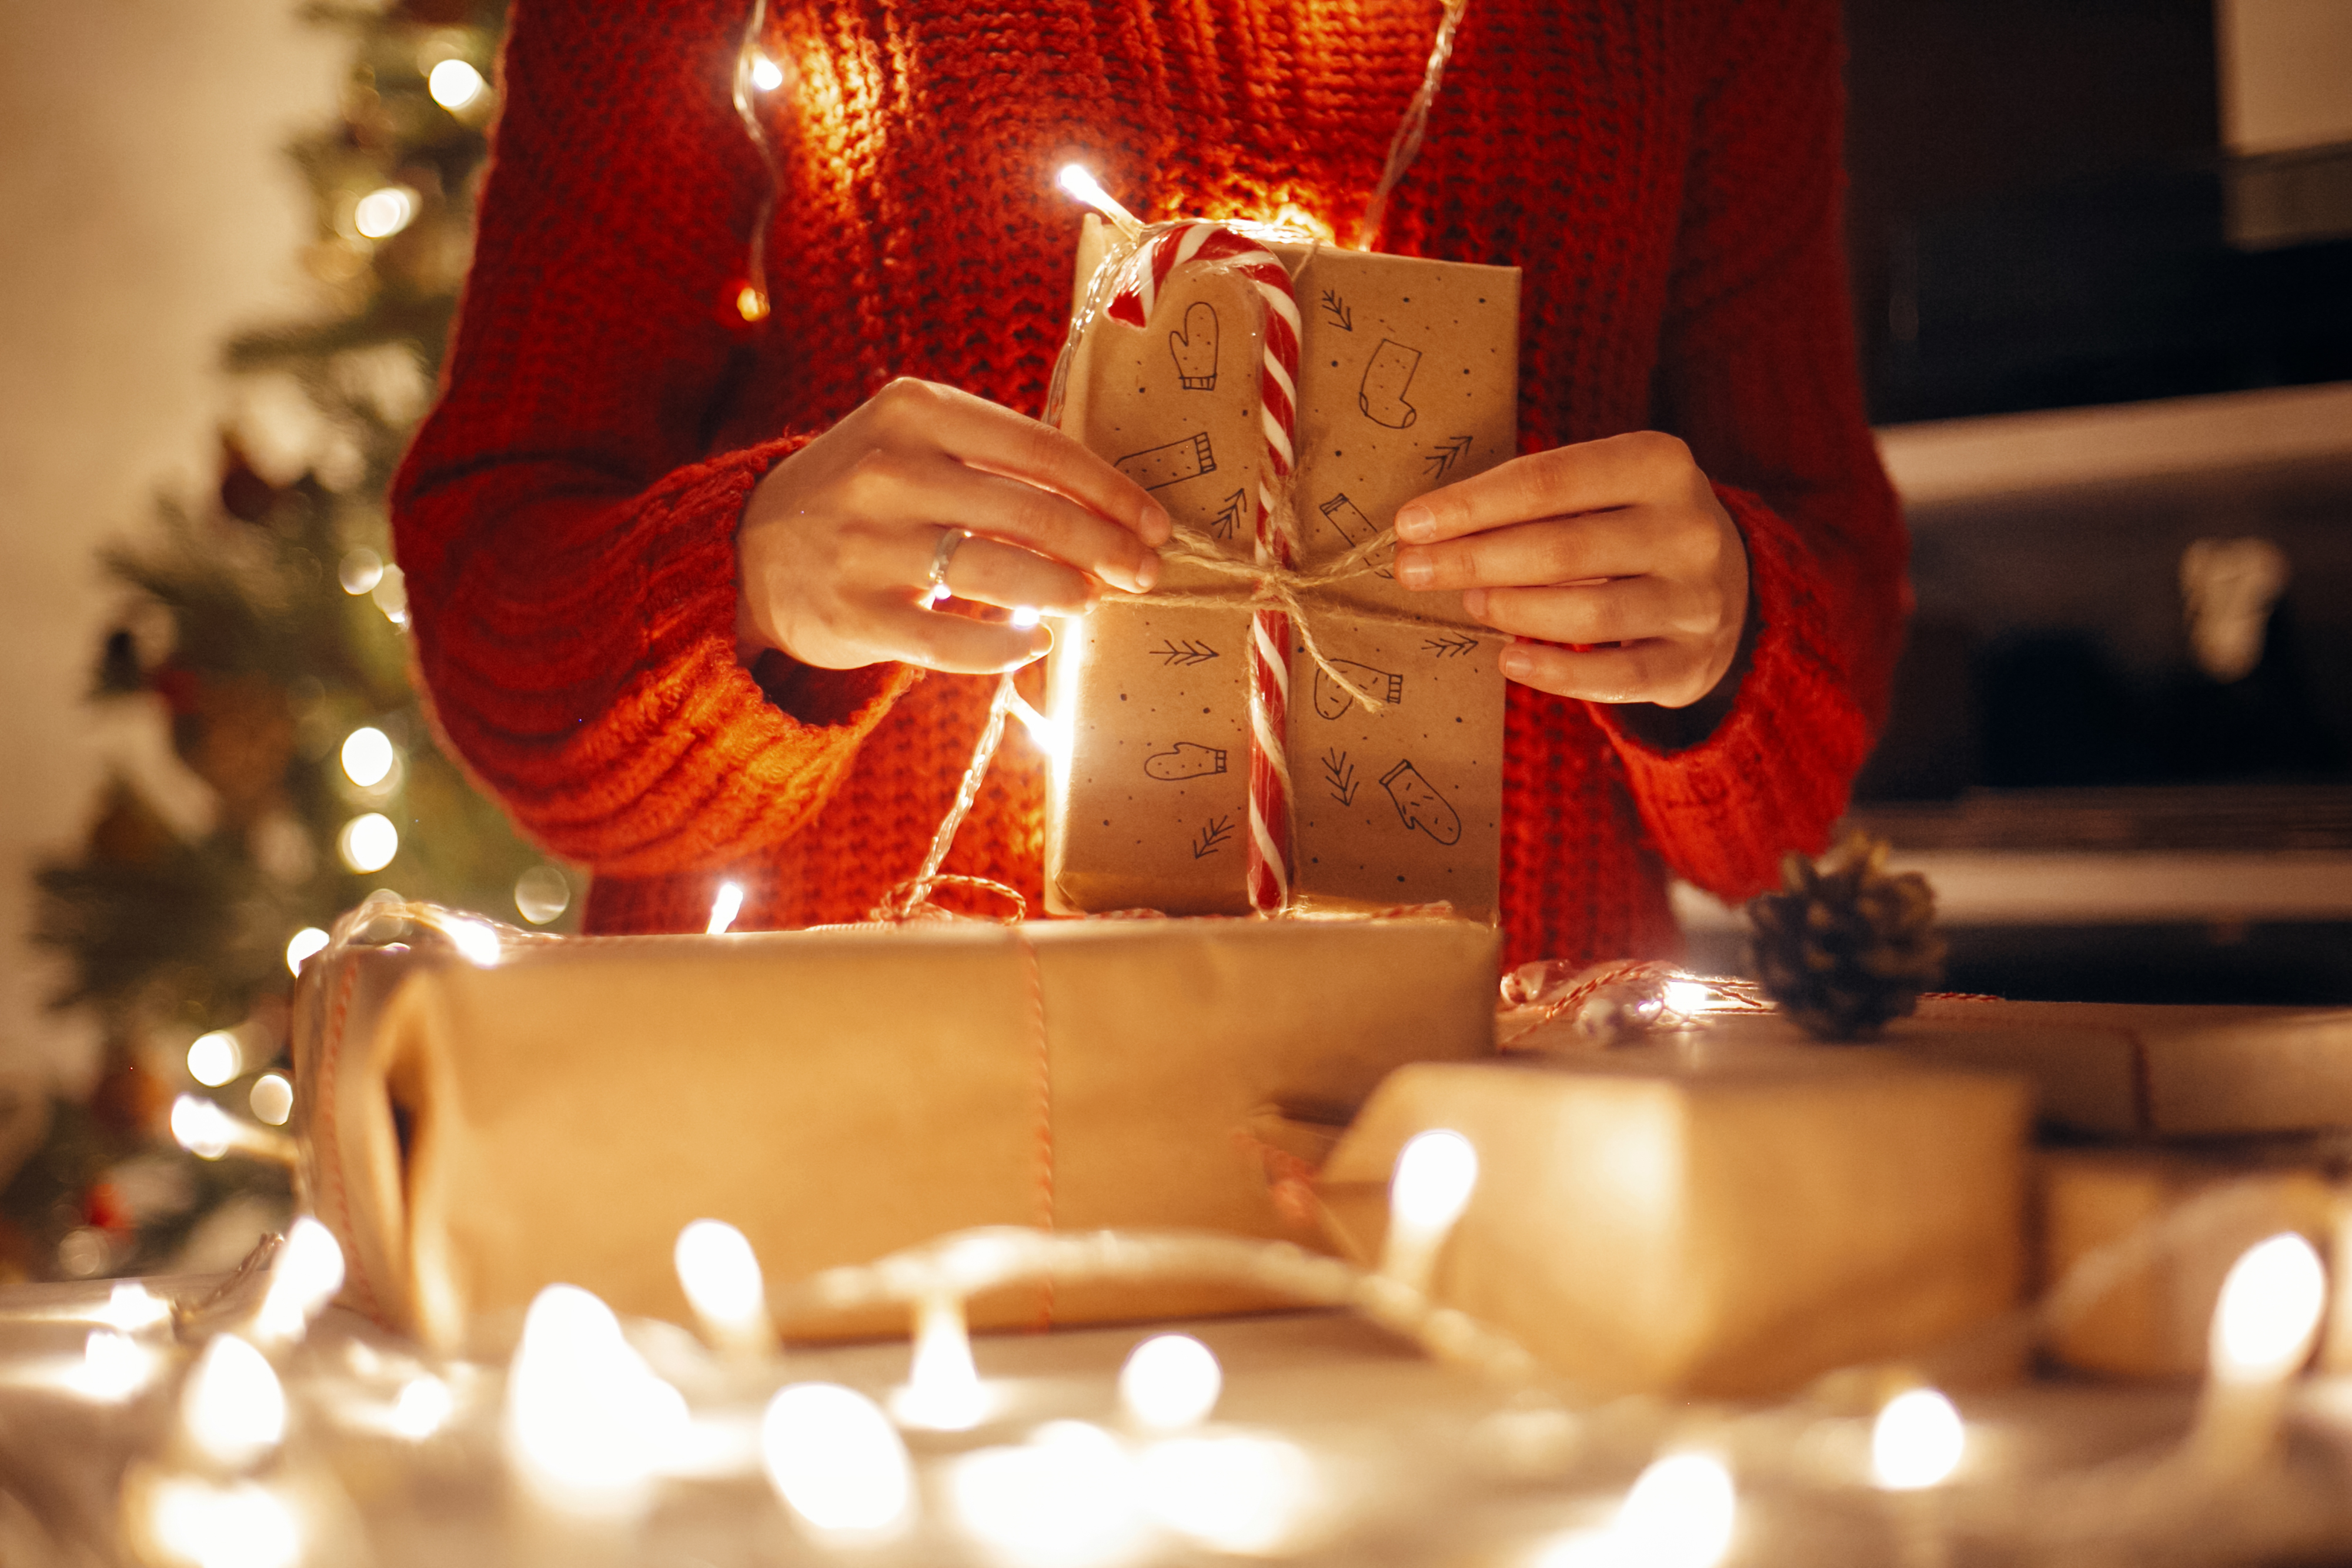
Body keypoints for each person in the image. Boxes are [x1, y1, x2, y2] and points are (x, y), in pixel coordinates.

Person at [392, 0, 1906, 969]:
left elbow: (1784, 802)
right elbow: (491, 608)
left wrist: (1727, 634)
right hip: (857, 1182)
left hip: (1480, 1165)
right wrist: (749, 575)